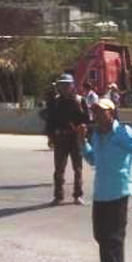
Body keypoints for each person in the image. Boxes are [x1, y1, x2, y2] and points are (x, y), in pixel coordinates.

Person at [82, 98, 132, 262]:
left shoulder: (123, 132)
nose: (98, 115)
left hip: (118, 190)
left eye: (102, 111)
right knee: (100, 235)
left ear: (112, 113)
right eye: (95, 112)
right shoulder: (96, 134)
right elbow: (93, 159)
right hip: (101, 191)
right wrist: (81, 141)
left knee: (114, 237)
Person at [45, 74, 88, 206]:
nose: (64, 88)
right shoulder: (55, 101)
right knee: (59, 169)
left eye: (67, 85)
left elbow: (86, 120)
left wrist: (85, 137)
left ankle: (78, 195)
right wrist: (50, 137)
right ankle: (58, 196)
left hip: (75, 138)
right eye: (61, 85)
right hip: (60, 138)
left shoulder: (80, 100)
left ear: (72, 86)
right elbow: (50, 121)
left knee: (78, 168)